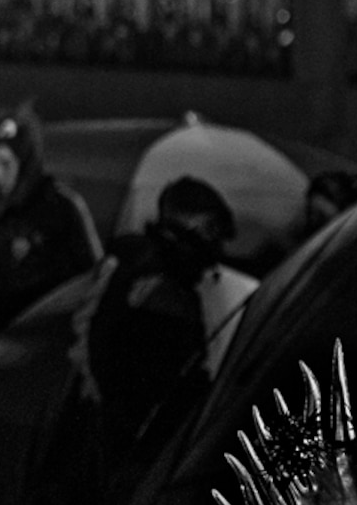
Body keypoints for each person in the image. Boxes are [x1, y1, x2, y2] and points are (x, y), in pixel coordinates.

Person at [88, 176, 253, 455]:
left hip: (114, 433)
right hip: (139, 447)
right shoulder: (164, 291)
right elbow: (168, 386)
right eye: (212, 235)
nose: (216, 254)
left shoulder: (140, 267)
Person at [0, 104, 102, 329]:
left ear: (25, 162)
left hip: (51, 334)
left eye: (6, 164)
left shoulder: (62, 207)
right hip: (8, 334)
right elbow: (0, 276)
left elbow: (94, 277)